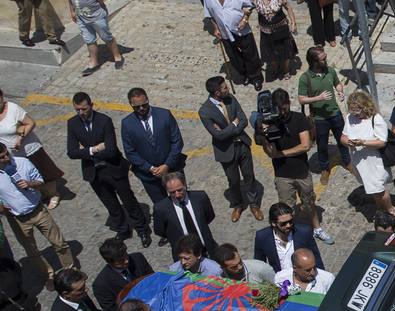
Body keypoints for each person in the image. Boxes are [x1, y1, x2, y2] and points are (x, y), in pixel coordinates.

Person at [0, 141, 75, 283]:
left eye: (6, 154)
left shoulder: (23, 162)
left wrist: (30, 184)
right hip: (17, 219)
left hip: (38, 210)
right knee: (32, 252)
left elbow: (40, 180)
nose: (6, 158)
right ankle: (49, 276)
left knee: (59, 242)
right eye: (1, 157)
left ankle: (70, 271)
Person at [66, 92, 151, 246]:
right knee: (110, 204)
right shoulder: (73, 124)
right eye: (77, 110)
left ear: (91, 105)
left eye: (84, 109)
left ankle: (142, 229)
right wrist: (94, 150)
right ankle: (123, 229)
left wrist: (84, 151)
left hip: (114, 168)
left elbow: (111, 149)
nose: (81, 113)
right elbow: (71, 152)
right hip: (93, 172)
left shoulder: (104, 121)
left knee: (128, 200)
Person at [259, 89, 332, 243]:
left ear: (288, 104)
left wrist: (283, 153)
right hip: (282, 174)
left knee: (309, 203)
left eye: (284, 108)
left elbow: (305, 146)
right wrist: (266, 137)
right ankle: (294, 235)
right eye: (278, 109)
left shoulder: (299, 119)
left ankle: (317, 229)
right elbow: (270, 152)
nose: (282, 112)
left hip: (301, 172)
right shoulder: (269, 122)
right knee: (287, 208)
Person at [0, 84, 64, 208]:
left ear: (2, 96)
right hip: (11, 155)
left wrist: (20, 138)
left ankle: (53, 194)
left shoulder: (14, 109)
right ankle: (41, 193)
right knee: (26, 175)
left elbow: (30, 123)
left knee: (43, 172)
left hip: (29, 150)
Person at [200, 76, 263, 223]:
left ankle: (254, 204)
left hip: (242, 144)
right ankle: (238, 204)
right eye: (224, 87)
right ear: (217, 92)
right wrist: (234, 125)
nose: (228, 88)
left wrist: (230, 128)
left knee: (249, 176)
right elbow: (218, 135)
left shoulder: (230, 99)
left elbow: (243, 120)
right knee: (233, 180)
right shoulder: (205, 111)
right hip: (226, 150)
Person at [121, 87, 187, 205]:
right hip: (149, 176)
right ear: (131, 105)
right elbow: (130, 152)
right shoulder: (127, 124)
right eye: (137, 107)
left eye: (144, 105)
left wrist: (166, 165)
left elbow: (177, 141)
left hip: (172, 168)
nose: (141, 108)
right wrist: (150, 168)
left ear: (147, 100)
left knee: (182, 200)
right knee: (162, 206)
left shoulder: (164, 115)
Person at [201, 0, 264, 90]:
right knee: (234, 57)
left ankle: (256, 77)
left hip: (242, 30)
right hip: (224, 32)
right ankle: (244, 74)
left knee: (250, 55)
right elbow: (209, 13)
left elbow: (249, 6)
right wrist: (215, 28)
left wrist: (244, 20)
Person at [296, 46, 350, 184]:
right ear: (314, 61)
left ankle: (347, 161)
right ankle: (325, 169)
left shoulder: (330, 71)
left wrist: (340, 91)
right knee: (322, 145)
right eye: (323, 58)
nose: (326, 60)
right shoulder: (305, 78)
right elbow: (301, 99)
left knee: (342, 140)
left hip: (335, 113)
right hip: (320, 119)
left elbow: (337, 84)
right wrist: (318, 98)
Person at [62, 0, 123, 74]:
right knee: (89, 40)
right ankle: (94, 63)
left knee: (106, 37)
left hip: (96, 15)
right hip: (81, 17)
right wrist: (72, 11)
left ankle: (118, 57)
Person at [341, 90, 393, 217]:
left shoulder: (376, 119)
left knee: (379, 189)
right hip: (359, 161)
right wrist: (348, 142)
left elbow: (381, 142)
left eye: (357, 110)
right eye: (352, 110)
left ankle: (391, 210)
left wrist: (363, 142)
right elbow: (343, 136)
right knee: (371, 189)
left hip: (374, 162)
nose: (354, 114)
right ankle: (380, 209)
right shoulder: (350, 118)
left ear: (364, 107)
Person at [152, 172, 218, 260]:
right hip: (185, 258)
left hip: (207, 250)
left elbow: (209, 216)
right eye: (172, 192)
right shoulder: (160, 208)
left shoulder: (200, 197)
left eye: (180, 190)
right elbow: (160, 230)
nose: (177, 195)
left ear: (185, 185)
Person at [92, 238, 152, 311]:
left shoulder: (138, 258)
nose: (127, 261)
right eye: (120, 261)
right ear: (109, 262)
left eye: (126, 255)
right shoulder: (101, 285)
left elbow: (153, 279)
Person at [250, 0, 299, 83]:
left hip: (281, 31)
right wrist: (245, 17)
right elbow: (248, 9)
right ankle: (275, 68)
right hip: (266, 33)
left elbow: (288, 7)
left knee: (286, 55)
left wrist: (293, 22)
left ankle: (286, 70)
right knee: (271, 57)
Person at [254, 202, 324, 275]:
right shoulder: (262, 237)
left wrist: (321, 277)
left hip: (303, 278)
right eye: (283, 223)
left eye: (290, 221)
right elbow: (259, 264)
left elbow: (316, 257)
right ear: (273, 223)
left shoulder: (304, 232)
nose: (288, 225)